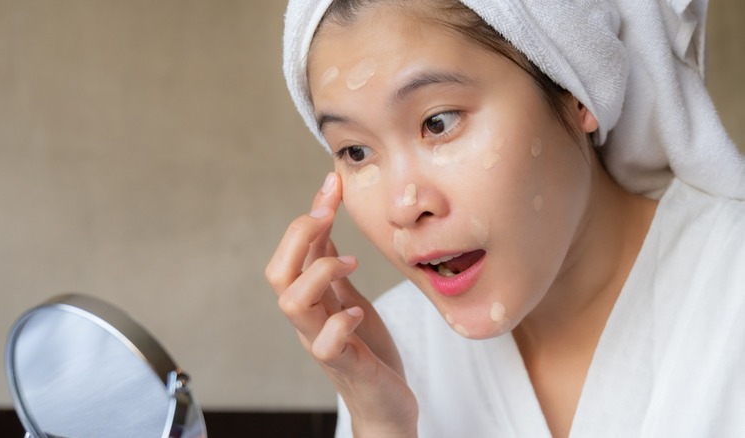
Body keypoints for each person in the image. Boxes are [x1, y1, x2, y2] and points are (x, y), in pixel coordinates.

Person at [266, 0, 745, 436]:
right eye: (355, 150)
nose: (402, 206)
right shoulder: (389, 348)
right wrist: (381, 423)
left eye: (439, 122)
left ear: (576, 89)